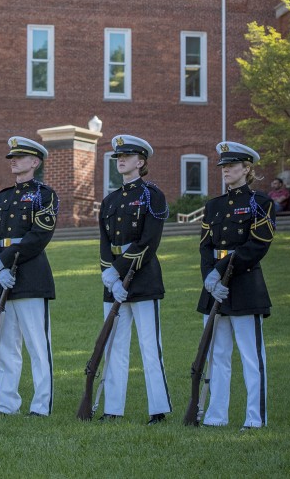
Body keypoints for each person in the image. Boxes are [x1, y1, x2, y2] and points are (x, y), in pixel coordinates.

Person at [197, 141, 276, 430]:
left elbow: (257, 245)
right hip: (214, 288)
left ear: (247, 169)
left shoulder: (261, 203)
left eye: (232, 165)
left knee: (251, 357)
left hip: (244, 285)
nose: (226, 170)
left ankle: (255, 419)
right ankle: (216, 416)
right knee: (217, 356)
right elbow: (205, 247)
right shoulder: (213, 206)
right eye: (223, 165)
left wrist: (219, 271)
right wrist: (209, 278)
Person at [98, 134, 172, 424]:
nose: (122, 160)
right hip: (113, 281)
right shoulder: (110, 199)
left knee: (150, 347)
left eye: (127, 156)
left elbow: (149, 241)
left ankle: (158, 409)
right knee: (114, 345)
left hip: (142, 279)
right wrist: (110, 276)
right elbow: (105, 241)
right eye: (118, 157)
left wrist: (117, 271)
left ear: (141, 162)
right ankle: (113, 409)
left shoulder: (152, 195)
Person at [0, 136, 58, 417]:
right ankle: (7, 403)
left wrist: (2, 261)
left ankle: (41, 405)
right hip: (1, 275)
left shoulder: (45, 194)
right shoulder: (2, 197)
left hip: (30, 275)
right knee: (5, 346)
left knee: (38, 347)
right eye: (11, 157)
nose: (13, 160)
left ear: (35, 162)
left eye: (20, 157)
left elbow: (39, 236)